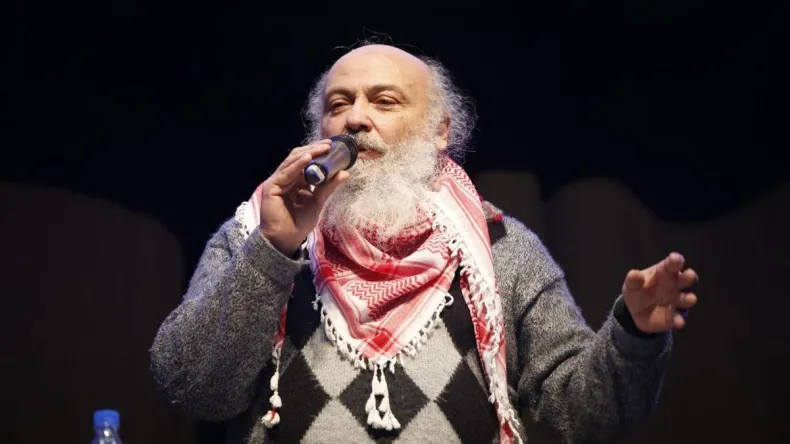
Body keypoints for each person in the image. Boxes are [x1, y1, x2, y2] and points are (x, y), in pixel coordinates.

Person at [149, 43, 699, 444]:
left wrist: (633, 333)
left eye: (384, 101)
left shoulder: (501, 247)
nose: (355, 118)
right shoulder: (254, 236)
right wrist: (272, 251)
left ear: (440, 131)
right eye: (338, 104)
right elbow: (193, 389)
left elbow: (584, 416)